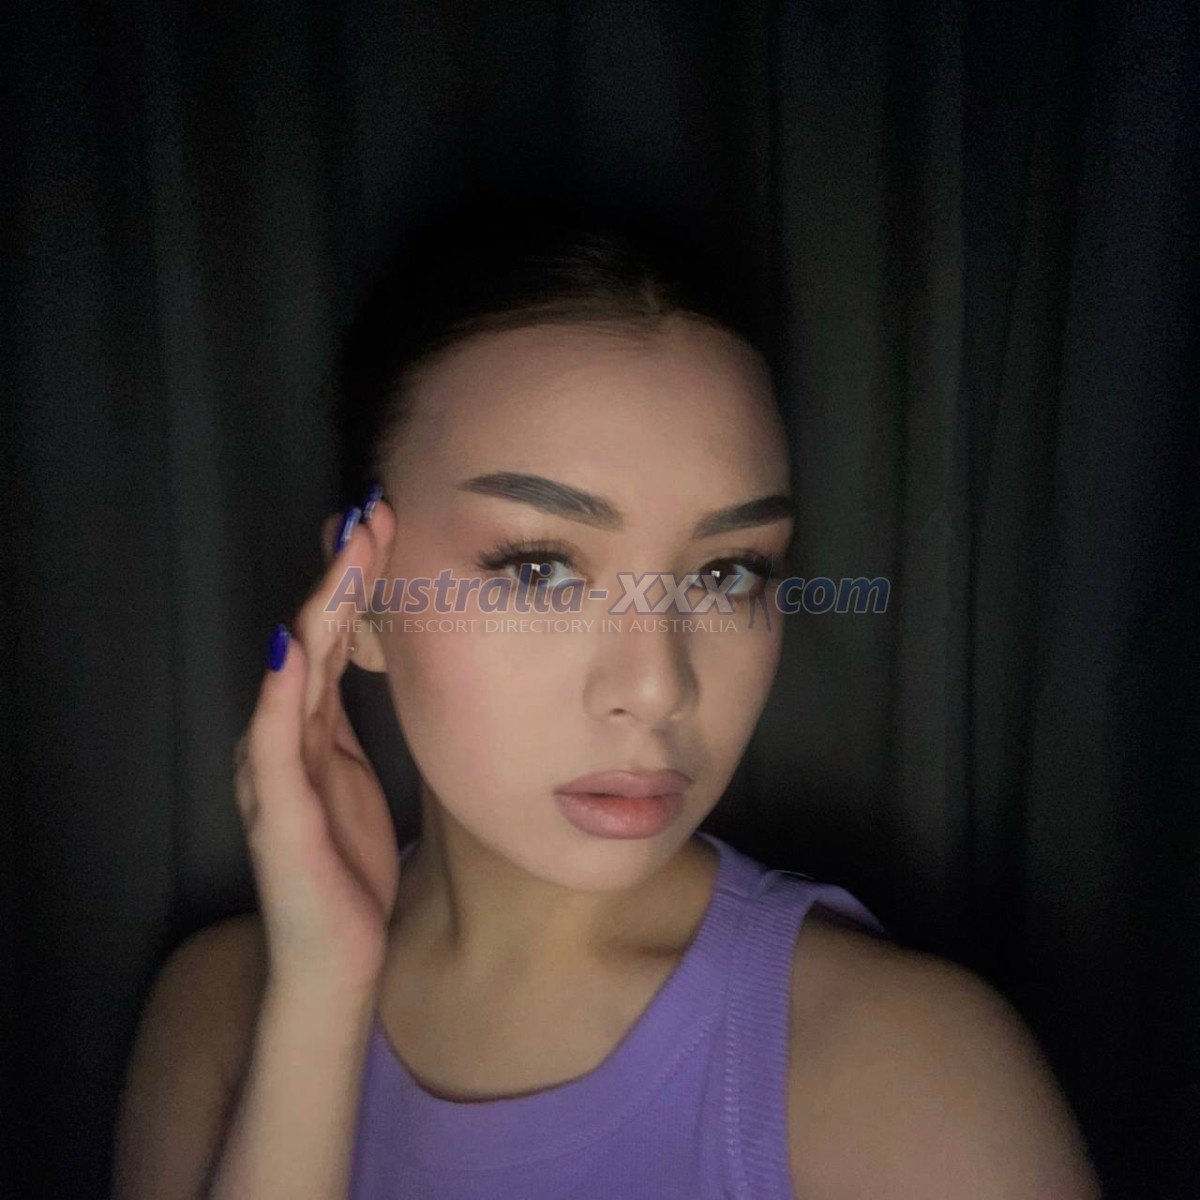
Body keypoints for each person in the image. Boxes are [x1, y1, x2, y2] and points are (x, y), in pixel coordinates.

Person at [111, 195, 1103, 1200]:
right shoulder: (217, 1014)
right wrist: (321, 998)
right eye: (540, 568)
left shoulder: (915, 1080)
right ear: (357, 601)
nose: (657, 686)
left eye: (725, 573)